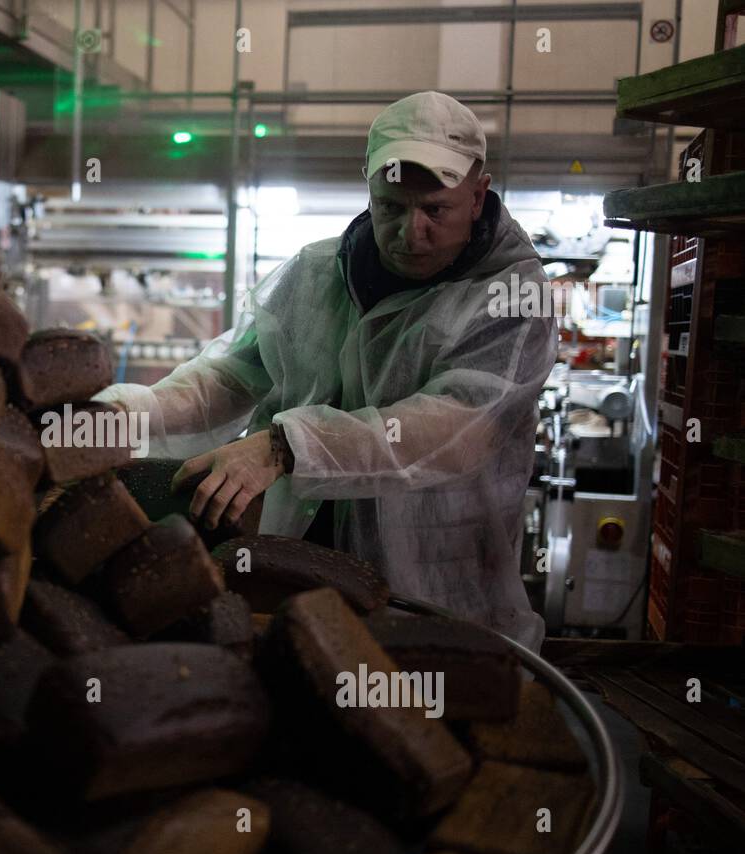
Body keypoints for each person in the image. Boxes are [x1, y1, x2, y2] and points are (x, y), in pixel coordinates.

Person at [95, 91, 558, 652]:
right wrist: (125, 413)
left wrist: (285, 447)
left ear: (478, 195)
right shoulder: (318, 272)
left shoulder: (510, 297)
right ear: (368, 187)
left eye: (436, 209)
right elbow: (231, 377)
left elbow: (457, 429)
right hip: (292, 578)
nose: (411, 232)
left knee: (422, 723)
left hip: (437, 597)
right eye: (390, 206)